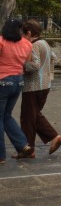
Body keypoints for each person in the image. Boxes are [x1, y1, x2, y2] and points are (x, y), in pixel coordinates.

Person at [20, 20, 61, 156]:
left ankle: (52, 138)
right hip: (45, 84)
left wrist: (22, 65)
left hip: (33, 85)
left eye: (23, 33)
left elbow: (35, 65)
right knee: (33, 115)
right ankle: (30, 148)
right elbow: (54, 58)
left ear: (28, 33)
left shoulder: (33, 45)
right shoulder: (45, 43)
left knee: (28, 118)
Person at [0, 18, 34, 162]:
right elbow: (28, 61)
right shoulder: (26, 44)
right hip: (18, 81)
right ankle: (22, 145)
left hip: (3, 80)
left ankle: (1, 155)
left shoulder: (1, 41)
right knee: (6, 115)